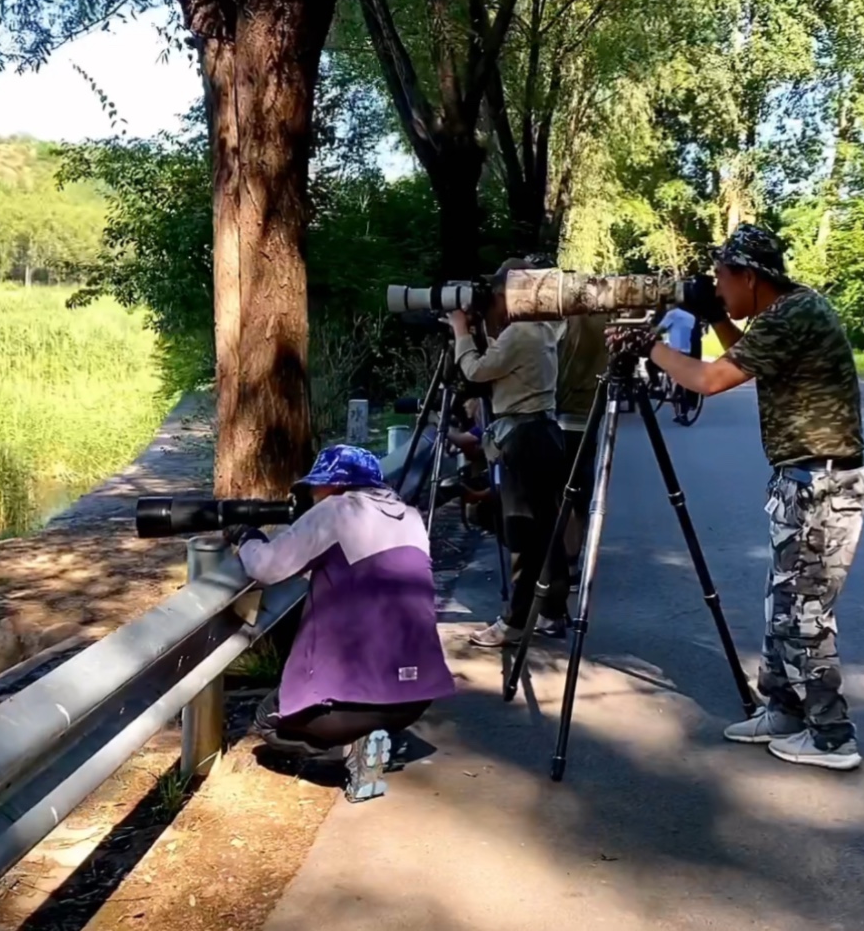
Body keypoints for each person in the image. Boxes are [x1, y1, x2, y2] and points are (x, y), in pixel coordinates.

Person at [635, 223, 864, 772]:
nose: (718, 288)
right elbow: (746, 358)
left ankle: (833, 735)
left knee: (805, 611)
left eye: (721, 279)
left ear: (750, 277)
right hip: (805, 480)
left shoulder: (793, 315)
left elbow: (712, 379)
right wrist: (715, 315)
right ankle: (785, 712)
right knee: (782, 605)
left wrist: (649, 347)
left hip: (822, 483)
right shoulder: (786, 314)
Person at [225, 445, 456, 800]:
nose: (312, 496)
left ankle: (349, 751)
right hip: (415, 699)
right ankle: (372, 740)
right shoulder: (411, 517)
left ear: (334, 485)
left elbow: (267, 568)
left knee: (265, 721)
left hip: (346, 707)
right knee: (374, 704)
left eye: (315, 488)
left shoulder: (337, 510)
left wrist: (247, 536)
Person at [450, 260, 572, 646]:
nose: (499, 301)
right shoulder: (545, 327)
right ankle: (552, 611)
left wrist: (459, 332)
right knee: (546, 529)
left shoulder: (520, 332)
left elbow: (475, 372)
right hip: (544, 433)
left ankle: (515, 622)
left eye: (502, 294)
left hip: (524, 438)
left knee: (524, 532)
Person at [556, 311, 610, 588]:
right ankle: (574, 560)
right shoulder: (602, 318)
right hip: (591, 410)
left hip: (564, 415)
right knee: (579, 492)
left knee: (564, 492)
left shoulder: (565, 319)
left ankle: (568, 561)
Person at [655, 306, 701, 420]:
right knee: (680, 380)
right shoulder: (691, 317)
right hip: (686, 350)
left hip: (674, 351)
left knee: (651, 364)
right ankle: (682, 411)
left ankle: (656, 386)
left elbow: (660, 329)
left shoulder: (673, 314)